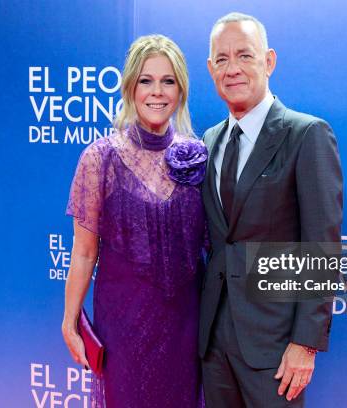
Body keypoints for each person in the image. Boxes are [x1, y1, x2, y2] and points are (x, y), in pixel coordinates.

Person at [199, 12, 343, 407]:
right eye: (222, 59)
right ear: (211, 69)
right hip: (213, 341)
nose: (233, 69)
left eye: (244, 55)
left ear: (269, 60)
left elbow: (322, 246)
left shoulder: (306, 134)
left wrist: (305, 344)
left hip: (276, 346)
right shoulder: (208, 140)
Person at [62, 34, 207, 408]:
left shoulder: (199, 159)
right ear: (129, 88)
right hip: (123, 325)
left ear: (181, 90)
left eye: (168, 81)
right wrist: (70, 319)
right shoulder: (100, 159)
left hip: (184, 325)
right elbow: (83, 251)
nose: (157, 92)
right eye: (146, 80)